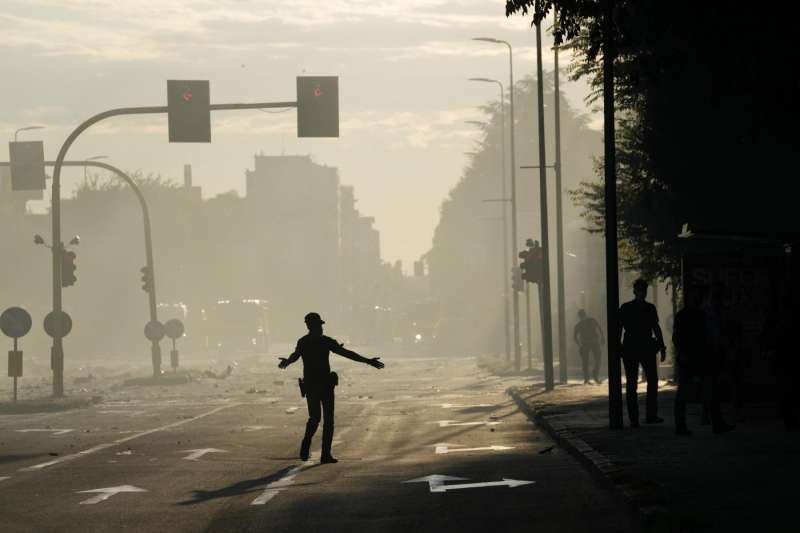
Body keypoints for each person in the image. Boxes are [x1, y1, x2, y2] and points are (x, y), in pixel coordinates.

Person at [278, 312, 385, 463]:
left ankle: (310, 446)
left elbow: (296, 356)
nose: (321, 328)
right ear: (311, 326)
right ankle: (323, 453)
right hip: (323, 386)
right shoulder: (324, 341)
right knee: (325, 420)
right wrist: (367, 361)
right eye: (318, 325)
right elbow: (346, 353)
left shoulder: (304, 341)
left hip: (313, 386)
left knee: (315, 418)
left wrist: (287, 362)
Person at [618, 278, 667, 427]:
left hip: (639, 347)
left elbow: (655, 327)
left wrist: (662, 346)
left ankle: (646, 416)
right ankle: (637, 418)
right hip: (635, 347)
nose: (642, 293)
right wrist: (618, 345)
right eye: (640, 290)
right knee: (634, 383)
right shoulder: (627, 308)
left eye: (643, 290)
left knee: (650, 381)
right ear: (635, 291)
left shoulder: (643, 308)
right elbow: (619, 327)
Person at [672, 285, 707, 436]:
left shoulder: (684, 315)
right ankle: (710, 419)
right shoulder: (699, 315)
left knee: (685, 392)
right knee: (705, 388)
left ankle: (681, 424)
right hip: (693, 356)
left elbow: (676, 338)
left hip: (690, 356)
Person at [574, 309, 604, 384]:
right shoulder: (582, 324)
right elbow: (575, 336)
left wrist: (602, 337)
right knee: (587, 361)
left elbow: (599, 328)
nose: (582, 317)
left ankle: (592, 375)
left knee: (595, 359)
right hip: (588, 343)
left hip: (591, 342)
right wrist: (579, 344)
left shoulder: (584, 323)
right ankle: (589, 377)